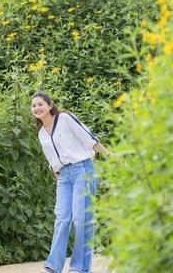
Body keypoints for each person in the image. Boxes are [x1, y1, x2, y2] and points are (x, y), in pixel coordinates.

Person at [31, 91, 109, 273]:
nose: (37, 108)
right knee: (62, 219)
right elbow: (52, 162)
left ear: (50, 105)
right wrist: (60, 182)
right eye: (34, 105)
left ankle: (79, 268)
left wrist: (111, 156)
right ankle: (52, 267)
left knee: (81, 219)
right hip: (63, 177)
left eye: (40, 104)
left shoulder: (64, 118)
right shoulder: (42, 133)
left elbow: (89, 139)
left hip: (82, 169)